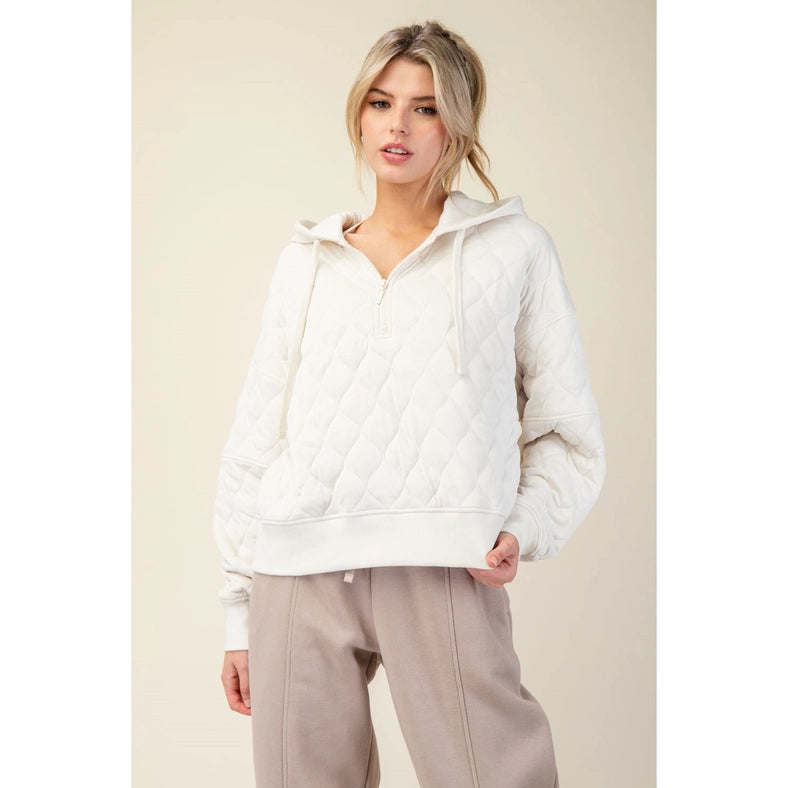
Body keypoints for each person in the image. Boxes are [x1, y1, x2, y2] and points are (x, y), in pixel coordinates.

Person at [214, 20, 605, 788]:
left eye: (425, 108)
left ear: (457, 123)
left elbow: (566, 430)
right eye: (381, 102)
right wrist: (238, 608)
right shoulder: (305, 263)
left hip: (445, 564)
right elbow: (257, 436)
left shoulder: (515, 250)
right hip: (297, 569)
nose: (398, 125)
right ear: (359, 113)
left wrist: (524, 526)